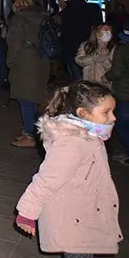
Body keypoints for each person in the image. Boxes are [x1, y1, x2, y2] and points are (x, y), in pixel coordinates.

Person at [15, 81, 121, 258]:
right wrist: (27, 212)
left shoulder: (91, 135)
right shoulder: (72, 142)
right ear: (83, 113)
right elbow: (48, 178)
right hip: (73, 220)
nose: (113, 118)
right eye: (106, 113)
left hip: (84, 214)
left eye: (112, 111)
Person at [6, 0, 51, 148]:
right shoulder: (42, 17)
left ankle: (30, 135)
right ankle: (32, 131)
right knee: (34, 99)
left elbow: (14, 44)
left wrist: (10, 62)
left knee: (25, 99)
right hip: (41, 61)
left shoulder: (19, 19)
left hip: (25, 62)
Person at [61, 0, 104, 82]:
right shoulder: (76, 6)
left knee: (78, 77)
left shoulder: (75, 7)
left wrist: (64, 10)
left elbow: (71, 25)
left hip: (74, 46)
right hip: (80, 46)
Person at [105, 33, 129, 161]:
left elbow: (116, 72)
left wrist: (106, 76)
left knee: (122, 124)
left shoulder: (123, 49)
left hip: (125, 93)